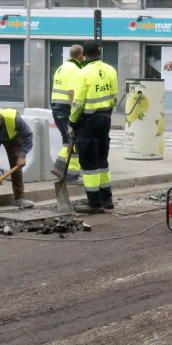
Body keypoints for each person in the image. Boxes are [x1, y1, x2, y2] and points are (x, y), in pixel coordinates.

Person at [70, 40, 119, 214]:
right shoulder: (111, 70)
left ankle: (94, 203)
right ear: (99, 52)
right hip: (105, 118)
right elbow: (114, 96)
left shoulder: (83, 73)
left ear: (84, 55)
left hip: (88, 121)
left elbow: (77, 102)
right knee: (102, 160)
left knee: (89, 162)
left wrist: (72, 121)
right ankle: (107, 198)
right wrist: (107, 114)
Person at [0, 107, 35, 211]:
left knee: (16, 165)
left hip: (12, 138)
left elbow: (28, 136)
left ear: (0, 119)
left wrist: (22, 156)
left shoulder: (14, 119)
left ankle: (19, 198)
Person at [50, 44, 84, 180]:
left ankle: (63, 169)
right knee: (73, 140)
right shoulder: (76, 69)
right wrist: (74, 110)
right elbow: (71, 91)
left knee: (67, 139)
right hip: (66, 108)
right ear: (81, 56)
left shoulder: (61, 67)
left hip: (56, 107)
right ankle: (69, 172)